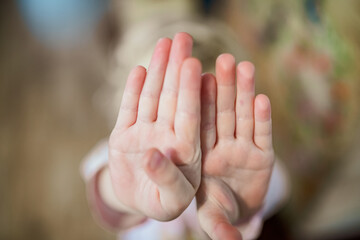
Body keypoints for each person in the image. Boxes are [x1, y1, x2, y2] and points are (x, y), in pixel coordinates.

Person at [81, 32, 289, 240]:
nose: (191, 146)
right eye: (173, 123)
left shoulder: (246, 170)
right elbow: (103, 193)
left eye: (210, 129)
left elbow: (278, 187)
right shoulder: (124, 155)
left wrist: (237, 213)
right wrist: (124, 195)